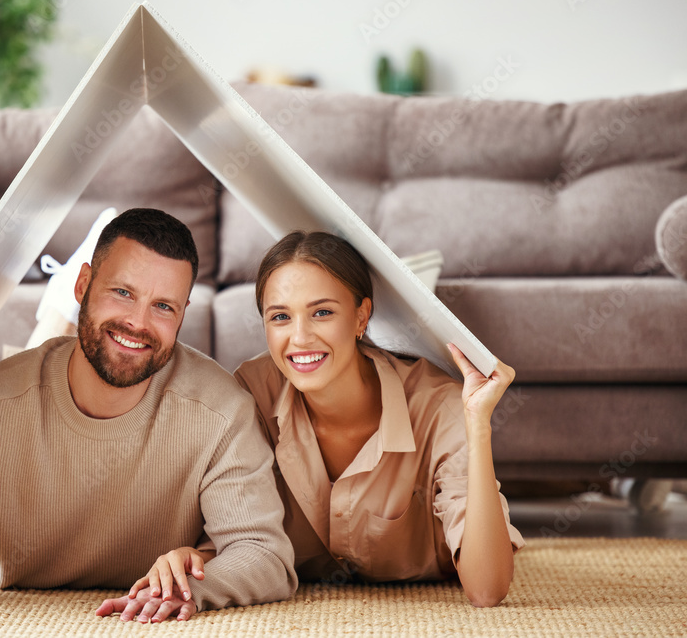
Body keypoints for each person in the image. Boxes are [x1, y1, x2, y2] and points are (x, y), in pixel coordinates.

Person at [0, 208, 297, 622]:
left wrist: (194, 587)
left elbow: (265, 555)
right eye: (121, 291)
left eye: (163, 306)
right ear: (84, 284)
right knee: (37, 363)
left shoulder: (221, 410)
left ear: (183, 313)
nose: (138, 321)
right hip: (6, 532)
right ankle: (56, 309)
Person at [129, 230, 525, 608]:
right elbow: (239, 527)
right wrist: (192, 557)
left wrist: (478, 424)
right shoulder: (251, 394)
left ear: (360, 316)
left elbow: (487, 591)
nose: (299, 338)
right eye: (280, 317)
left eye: (321, 312)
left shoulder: (439, 407)